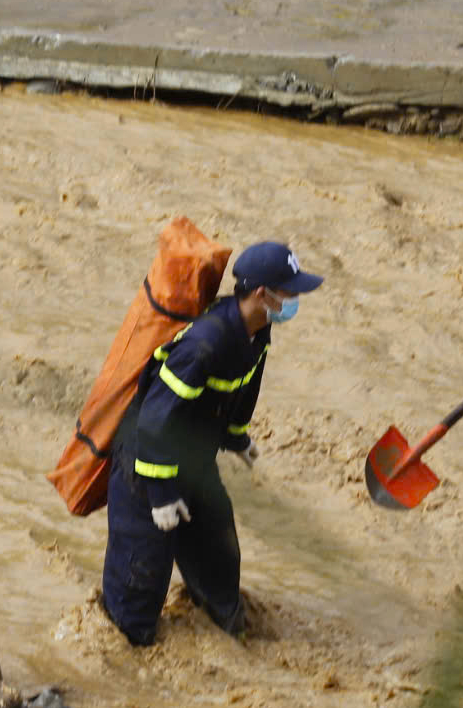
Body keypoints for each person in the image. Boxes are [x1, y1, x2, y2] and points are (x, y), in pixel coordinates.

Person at [100, 241, 322, 646]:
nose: (295, 300)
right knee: (141, 577)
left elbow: (243, 387)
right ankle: (126, 652)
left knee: (218, 553)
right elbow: (154, 419)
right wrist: (161, 492)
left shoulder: (258, 331)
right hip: (145, 462)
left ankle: (227, 632)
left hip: (194, 458)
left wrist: (236, 435)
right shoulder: (204, 343)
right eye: (289, 292)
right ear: (262, 294)